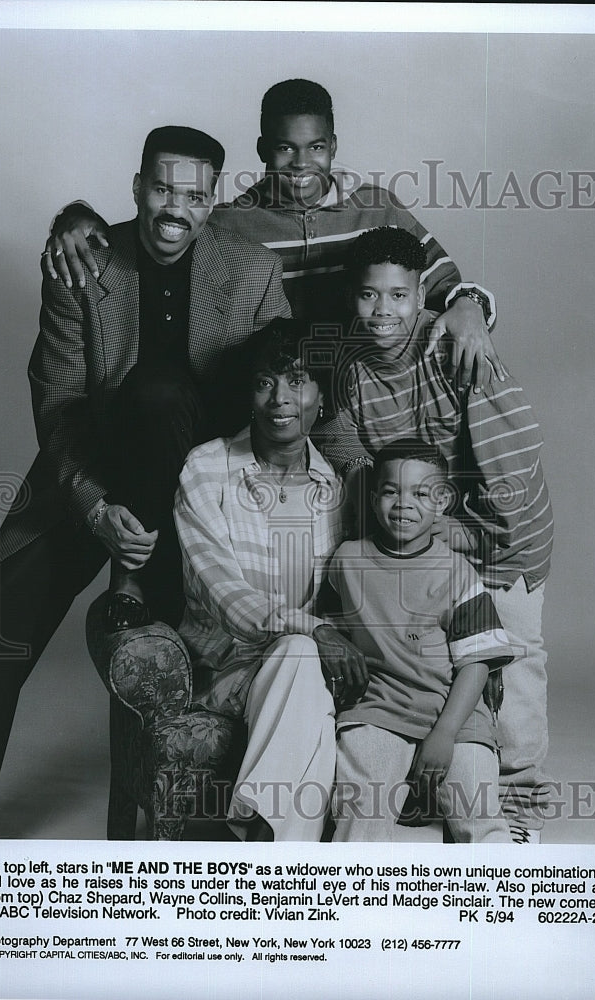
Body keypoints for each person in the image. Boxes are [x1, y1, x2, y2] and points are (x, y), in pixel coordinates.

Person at [0, 126, 290, 839]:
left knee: (161, 393)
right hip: (95, 461)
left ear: (213, 201)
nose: (174, 208)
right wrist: (92, 504)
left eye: (193, 195)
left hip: (195, 483)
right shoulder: (83, 261)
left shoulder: (252, 272)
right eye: (160, 189)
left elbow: (276, 395)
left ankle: (141, 586)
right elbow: (58, 405)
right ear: (137, 185)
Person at [317, 226, 554, 842]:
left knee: (514, 660)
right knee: (439, 658)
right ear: (352, 296)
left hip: (503, 535)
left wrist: (466, 536)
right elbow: (360, 459)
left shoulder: (456, 345)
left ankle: (515, 805)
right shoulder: (349, 365)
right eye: (369, 297)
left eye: (399, 296)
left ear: (423, 293)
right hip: (430, 532)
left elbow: (513, 464)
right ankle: (427, 786)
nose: (383, 312)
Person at [45, 79, 505, 388]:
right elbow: (159, 228)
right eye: (285, 148)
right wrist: (76, 217)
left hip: (370, 387)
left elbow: (445, 285)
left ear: (333, 147)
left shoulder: (378, 205)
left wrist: (471, 305)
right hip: (272, 395)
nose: (302, 164)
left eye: (316, 147)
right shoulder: (229, 222)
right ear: (263, 148)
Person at [173, 319, 366, 841]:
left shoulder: (339, 489)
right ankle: (284, 865)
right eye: (265, 382)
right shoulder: (207, 469)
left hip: (307, 671)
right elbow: (227, 597)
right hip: (228, 665)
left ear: (322, 396)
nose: (280, 398)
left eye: (298, 380)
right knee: (301, 655)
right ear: (249, 392)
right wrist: (317, 633)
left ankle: (265, 845)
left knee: (302, 663)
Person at [329, 440, 514, 843]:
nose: (403, 504)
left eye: (420, 493)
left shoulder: (457, 570)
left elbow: (476, 663)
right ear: (374, 496)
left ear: (442, 502)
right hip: (377, 709)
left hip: (455, 716)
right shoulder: (346, 561)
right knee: (362, 812)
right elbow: (325, 628)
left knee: (481, 820)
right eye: (391, 491)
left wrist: (444, 734)